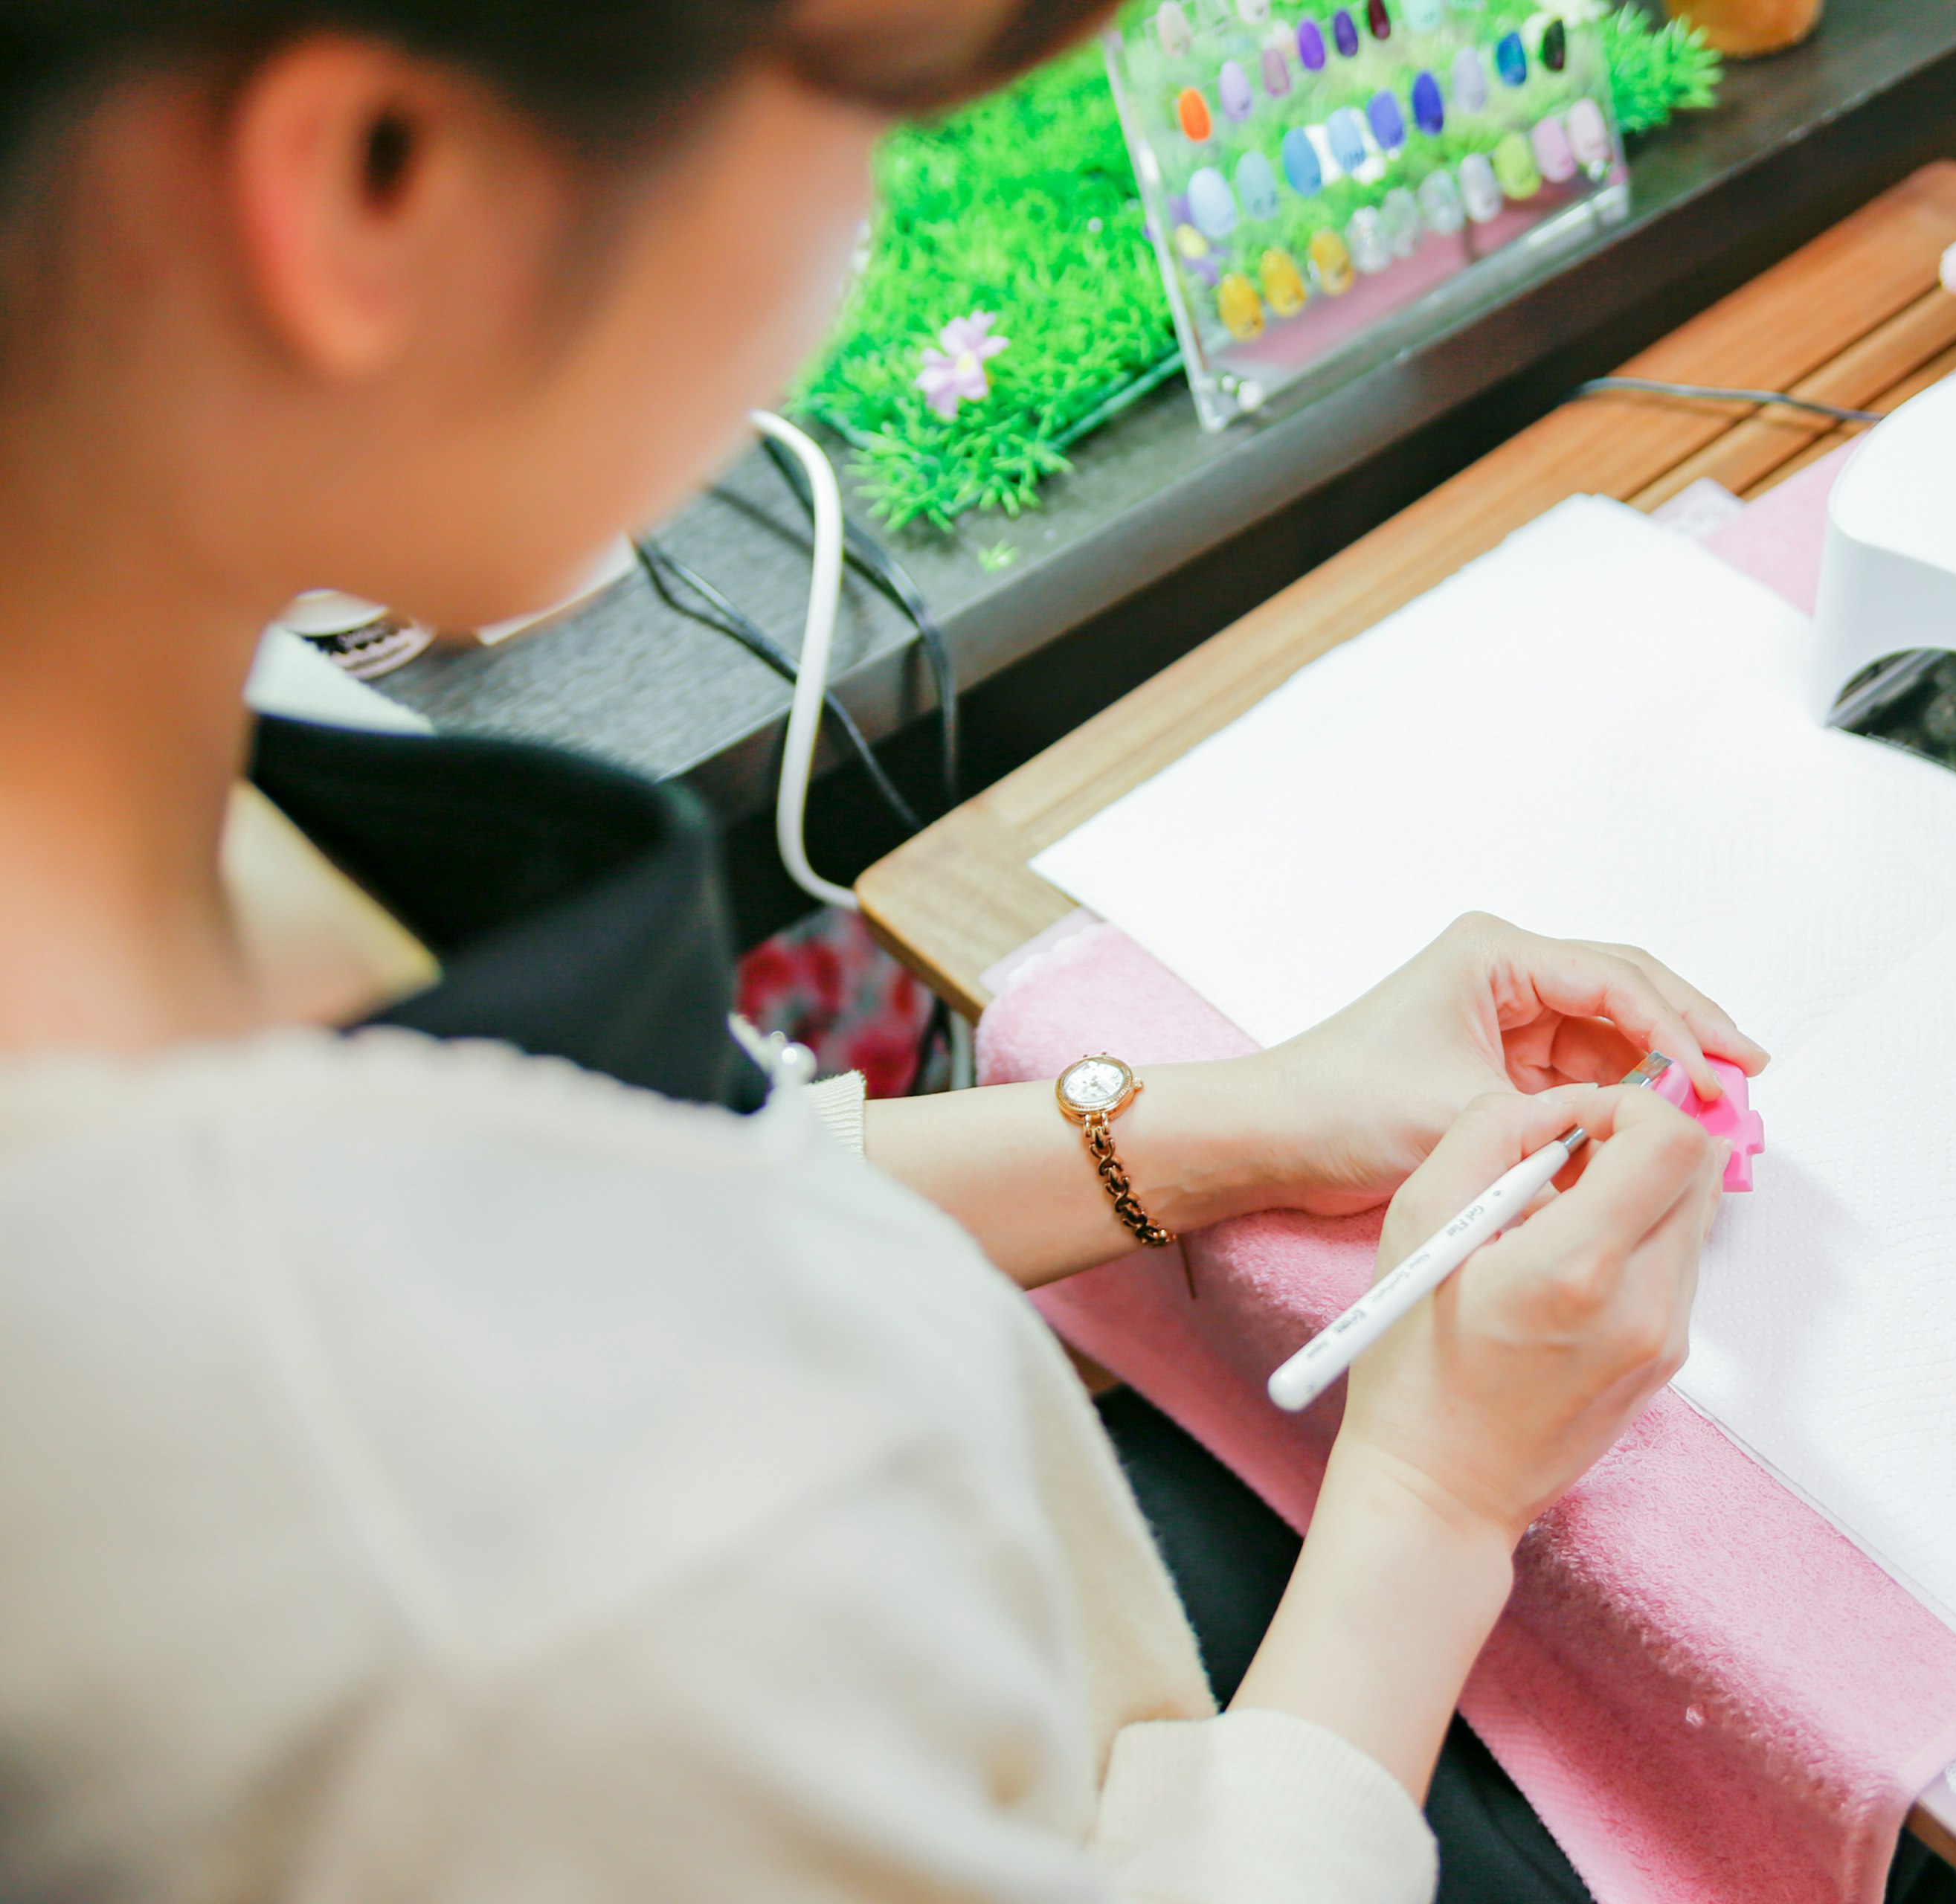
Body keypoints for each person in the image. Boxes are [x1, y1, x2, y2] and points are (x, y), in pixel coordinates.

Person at [0, 4, 1773, 1900]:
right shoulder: (497, 1588)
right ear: (373, 190)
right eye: (843, 119)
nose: (852, 230)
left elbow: (664, 1200)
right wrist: (1436, 1495)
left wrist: (1238, 1119)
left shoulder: (123, 678)